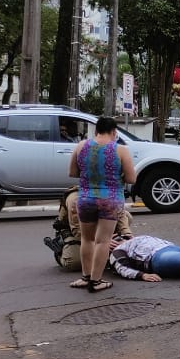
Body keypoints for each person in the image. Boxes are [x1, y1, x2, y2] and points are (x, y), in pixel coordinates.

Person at [68, 116, 136, 293]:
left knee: (87, 239)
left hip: (85, 197)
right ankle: (96, 281)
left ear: (96, 131)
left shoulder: (81, 146)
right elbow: (131, 178)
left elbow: (73, 172)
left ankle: (86, 277)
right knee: (103, 241)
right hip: (110, 198)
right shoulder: (121, 150)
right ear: (114, 132)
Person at [45, 187, 134, 272]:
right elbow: (78, 230)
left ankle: (108, 249)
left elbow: (120, 213)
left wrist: (127, 236)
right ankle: (61, 251)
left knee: (127, 216)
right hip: (75, 231)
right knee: (73, 262)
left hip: (101, 224)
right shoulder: (76, 199)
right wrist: (102, 241)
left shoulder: (111, 190)